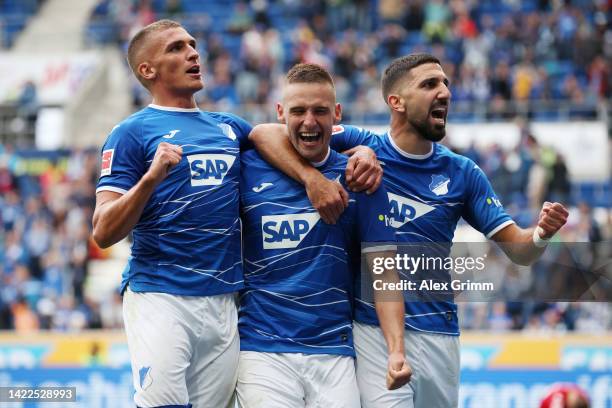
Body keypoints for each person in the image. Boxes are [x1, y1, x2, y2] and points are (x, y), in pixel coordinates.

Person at [250, 53, 569, 408]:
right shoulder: (360, 143)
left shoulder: (462, 173)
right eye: (430, 84)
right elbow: (267, 134)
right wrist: (313, 178)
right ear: (396, 101)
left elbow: (519, 250)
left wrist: (541, 233)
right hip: (371, 329)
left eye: (446, 83)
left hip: (438, 332)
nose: (445, 92)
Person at [92, 19, 379, 408]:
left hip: (225, 303)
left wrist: (358, 152)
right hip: (161, 293)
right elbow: (103, 230)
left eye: (192, 44)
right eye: (176, 48)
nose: (193, 53)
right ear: (147, 70)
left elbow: (276, 133)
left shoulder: (226, 127)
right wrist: (150, 179)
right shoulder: (131, 133)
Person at [236, 63, 410, 408]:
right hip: (262, 350)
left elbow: (384, 271)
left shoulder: (362, 179)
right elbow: (258, 133)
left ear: (337, 114)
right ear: (281, 114)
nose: (309, 122)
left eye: (320, 111)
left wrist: (396, 351)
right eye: (298, 111)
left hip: (334, 352)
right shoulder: (246, 167)